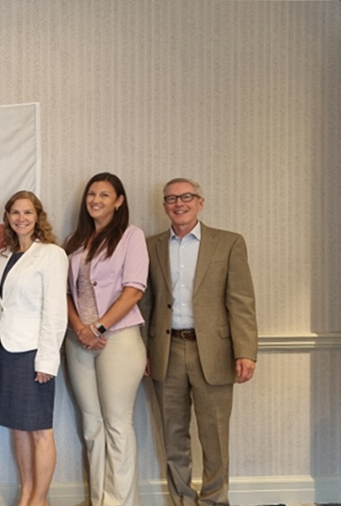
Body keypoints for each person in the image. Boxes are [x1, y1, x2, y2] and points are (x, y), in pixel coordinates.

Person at [145, 178, 257, 506]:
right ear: (164, 206)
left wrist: (246, 351)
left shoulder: (229, 243)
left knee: (214, 436)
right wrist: (144, 351)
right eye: (171, 199)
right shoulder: (150, 246)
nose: (179, 204)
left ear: (200, 202)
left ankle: (214, 500)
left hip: (215, 352)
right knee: (173, 436)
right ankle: (181, 500)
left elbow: (241, 301)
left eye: (186, 197)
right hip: (166, 352)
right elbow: (146, 303)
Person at [63, 172, 148, 506]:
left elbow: (134, 290)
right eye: (91, 194)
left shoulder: (131, 236)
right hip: (78, 342)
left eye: (104, 195)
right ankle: (98, 498)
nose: (95, 200)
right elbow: (64, 293)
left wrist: (98, 328)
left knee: (117, 425)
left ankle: (120, 501)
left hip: (119, 339)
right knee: (91, 426)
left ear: (119, 201)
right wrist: (80, 329)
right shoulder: (75, 240)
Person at [0, 190, 68, 506]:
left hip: (33, 353)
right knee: (18, 427)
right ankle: (26, 494)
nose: (21, 218)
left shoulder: (51, 255)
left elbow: (55, 311)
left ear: (38, 216)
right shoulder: (2, 256)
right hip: (4, 351)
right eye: (15, 212)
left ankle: (39, 499)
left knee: (40, 429)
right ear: (8, 217)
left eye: (28, 212)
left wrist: (47, 360)